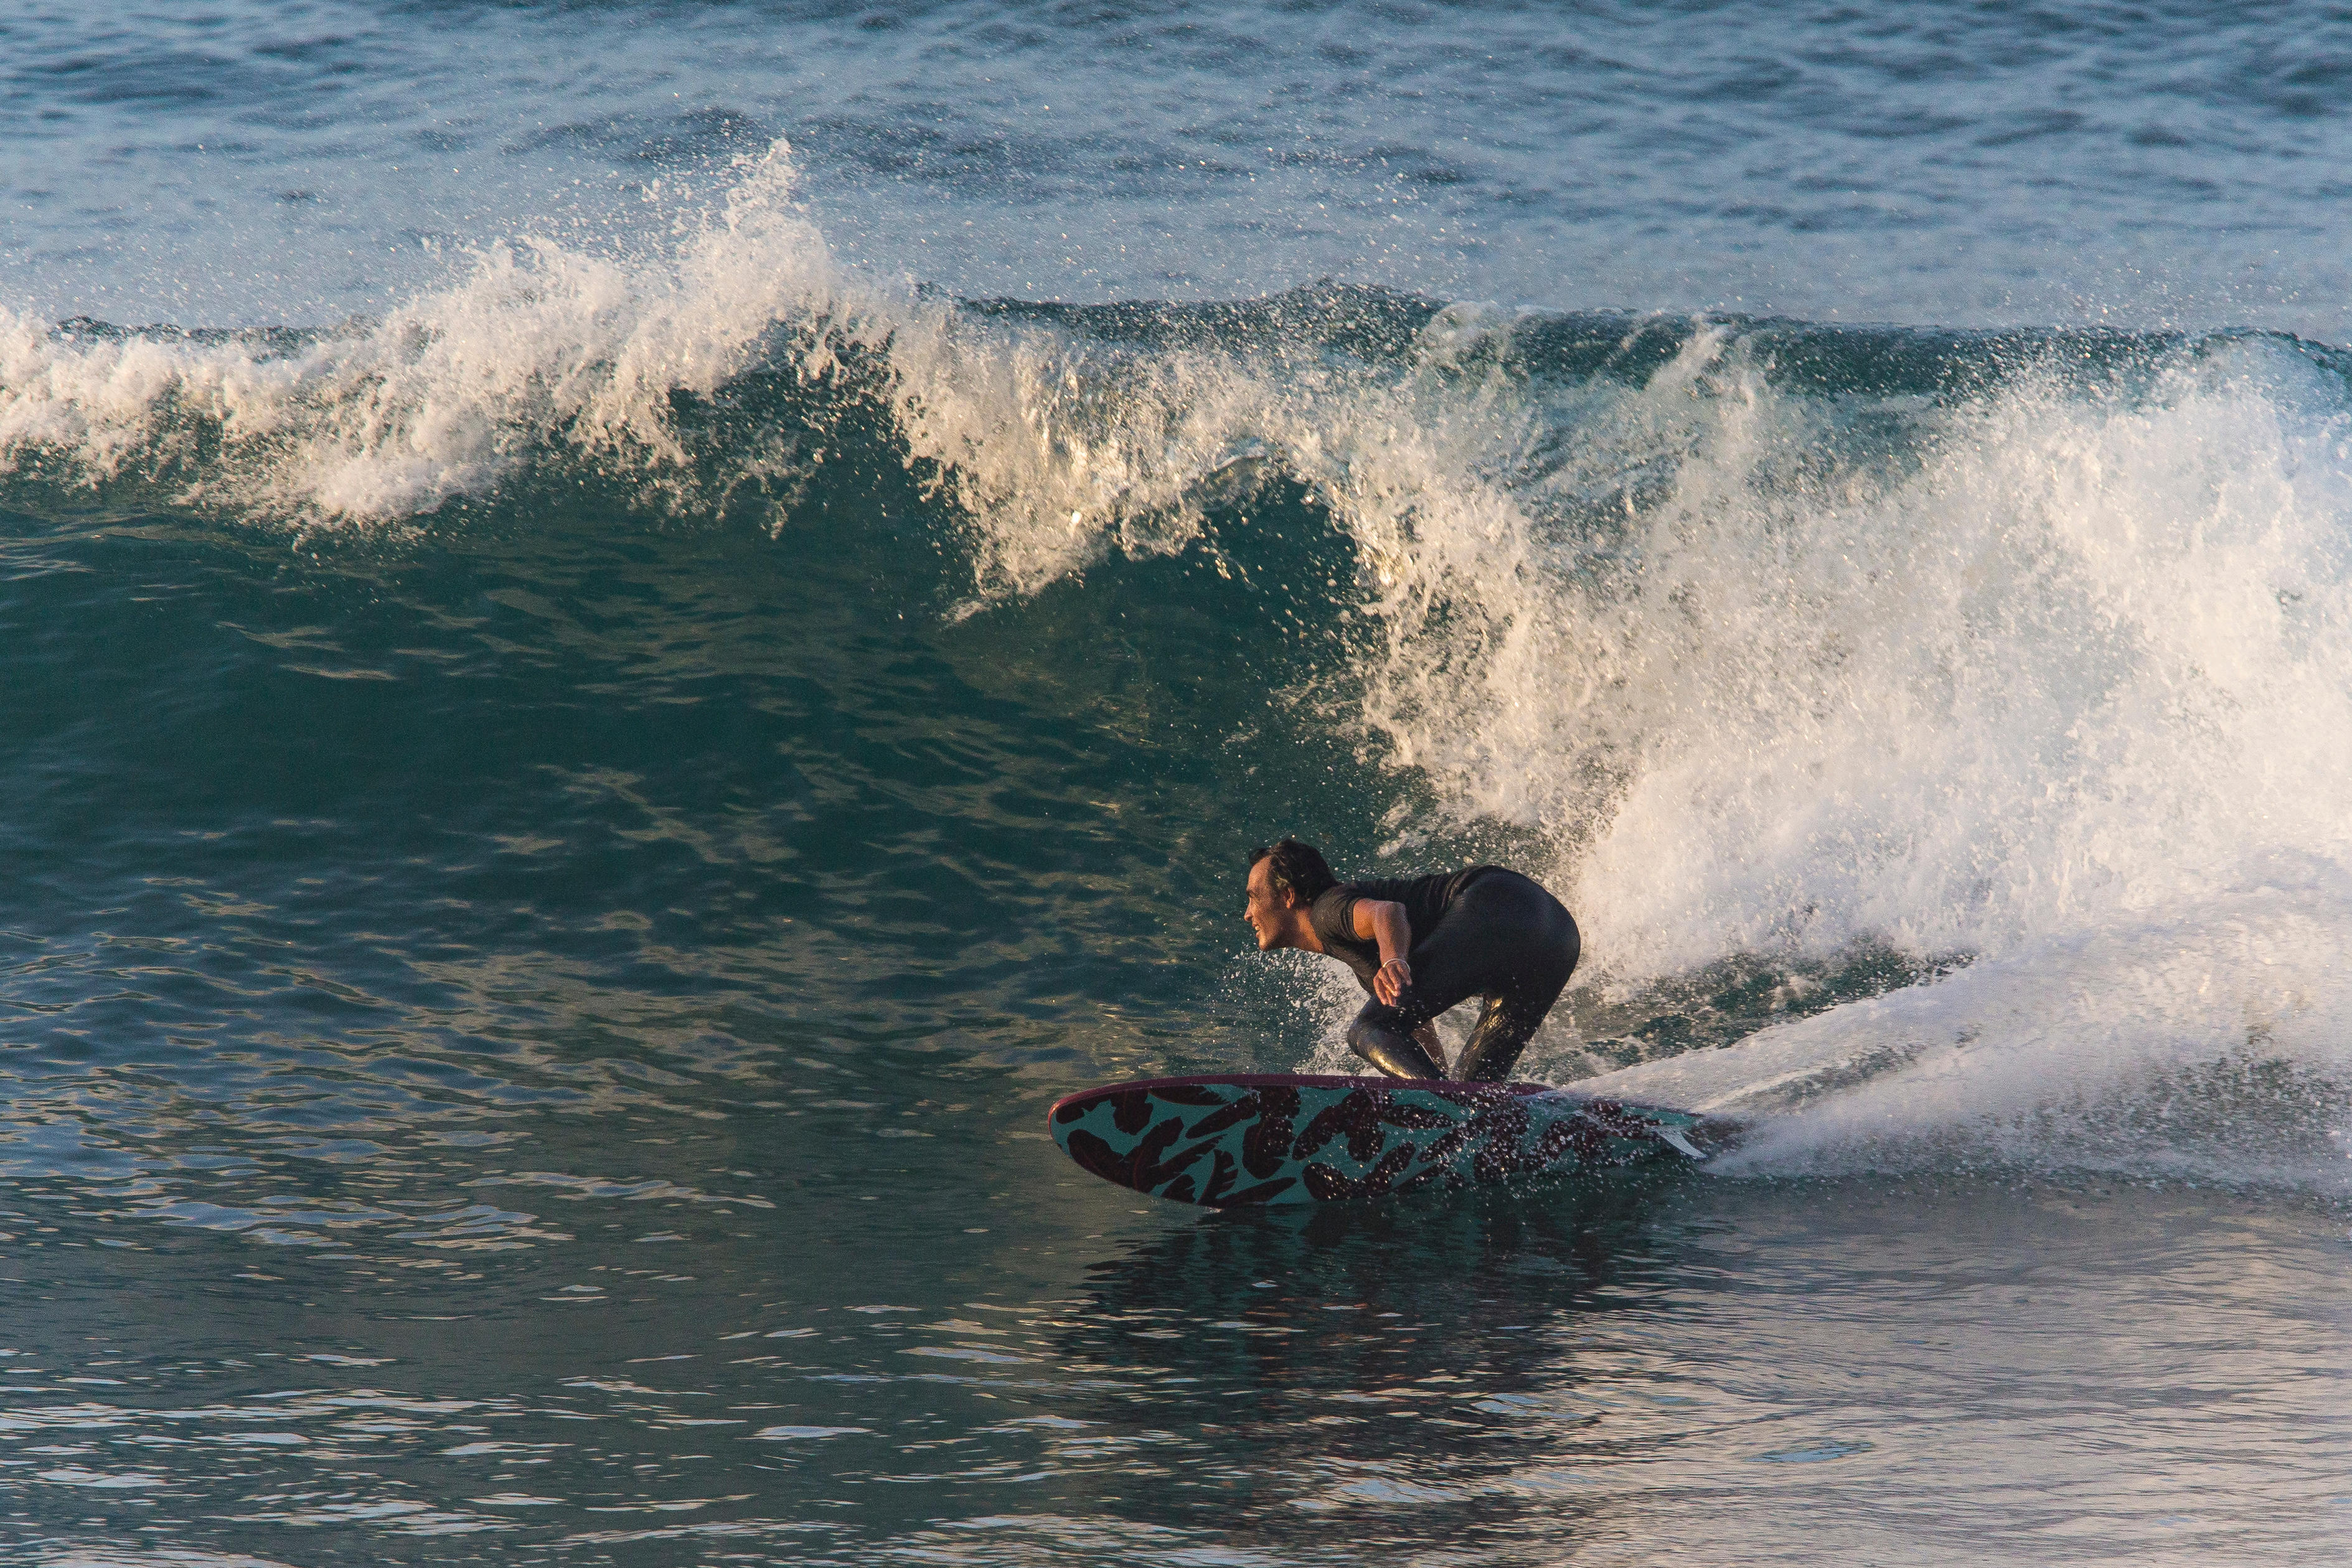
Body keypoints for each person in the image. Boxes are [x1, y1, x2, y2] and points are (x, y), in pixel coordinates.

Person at [1242, 838, 1581, 1083]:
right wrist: (1435, 1082)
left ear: (1288, 897)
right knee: (1474, 1095)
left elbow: (1387, 912)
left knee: (1367, 1028)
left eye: (1253, 898)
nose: (1248, 914)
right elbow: (1415, 1032)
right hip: (1555, 935)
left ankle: (1447, 1108)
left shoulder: (1327, 912)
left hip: (1499, 903)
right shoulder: (1357, 953)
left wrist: (1394, 960)